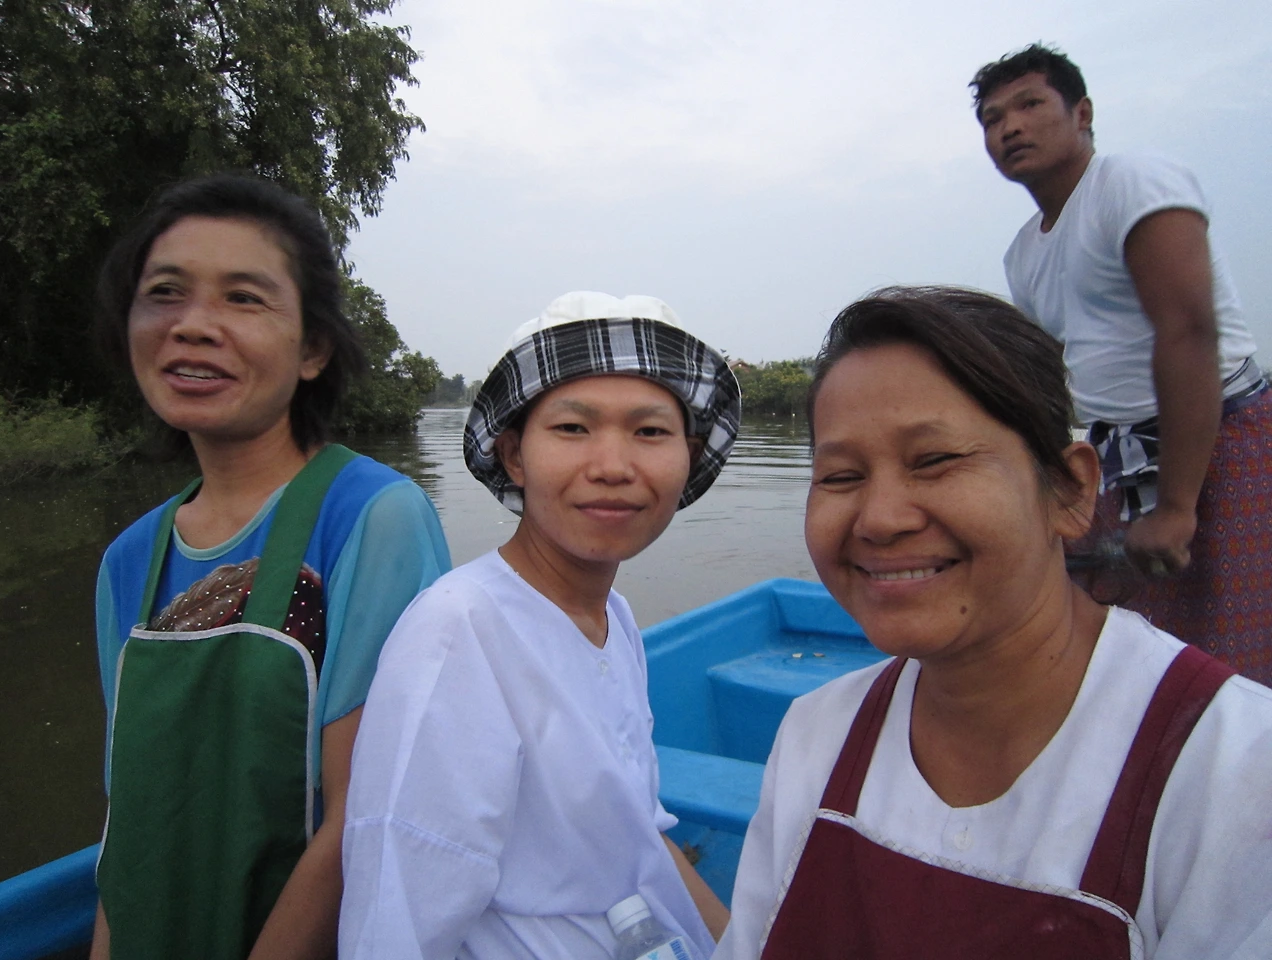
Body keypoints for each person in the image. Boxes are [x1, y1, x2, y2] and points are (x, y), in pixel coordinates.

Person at [715, 287, 1272, 959]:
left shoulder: (1235, 774)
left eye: (936, 461)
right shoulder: (816, 733)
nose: (881, 518)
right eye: (840, 476)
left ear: (1069, 492)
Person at [89, 174, 451, 960]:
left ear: (313, 348)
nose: (192, 326)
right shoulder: (128, 560)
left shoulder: (371, 518)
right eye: (165, 294)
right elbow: (131, 815)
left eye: (243, 299)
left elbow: (367, 816)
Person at [339, 291, 741, 959]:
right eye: (573, 429)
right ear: (515, 456)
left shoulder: (611, 613)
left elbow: (640, 833)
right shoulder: (458, 630)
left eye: (649, 432)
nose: (613, 466)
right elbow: (398, 918)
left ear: (687, 458)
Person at [970, 43, 1271, 685]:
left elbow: (1189, 332)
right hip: (1116, 451)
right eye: (993, 119)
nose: (1010, 127)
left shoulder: (1129, 182)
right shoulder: (1023, 254)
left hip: (1221, 433)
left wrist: (1178, 506)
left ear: (1081, 114)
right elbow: (1047, 385)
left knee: (1236, 652)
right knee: (1122, 631)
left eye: (1029, 105)